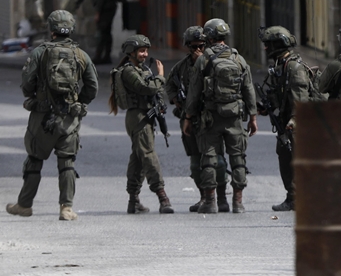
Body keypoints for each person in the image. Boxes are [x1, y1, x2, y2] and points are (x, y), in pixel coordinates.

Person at [6, 10, 98, 221]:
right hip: (69, 119)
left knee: (34, 160)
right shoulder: (81, 55)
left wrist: (33, 98)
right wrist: (79, 103)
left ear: (51, 29)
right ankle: (66, 208)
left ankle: (25, 205)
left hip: (42, 118)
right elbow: (92, 86)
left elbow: (27, 81)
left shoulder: (41, 52)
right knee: (67, 162)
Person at [183, 18, 258, 214]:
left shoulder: (203, 60)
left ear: (208, 37)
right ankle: (238, 203)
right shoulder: (238, 59)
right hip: (234, 116)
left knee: (209, 159)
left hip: (211, 117)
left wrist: (188, 118)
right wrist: (253, 117)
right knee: (238, 159)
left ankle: (210, 202)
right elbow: (249, 90)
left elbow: (194, 92)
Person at [165, 26, 230, 212]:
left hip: (210, 119)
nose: (198, 50)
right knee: (195, 164)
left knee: (217, 161)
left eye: (201, 45)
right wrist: (177, 101)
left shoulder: (214, 63)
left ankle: (222, 197)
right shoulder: (182, 67)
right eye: (193, 47)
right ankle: (204, 196)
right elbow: (169, 86)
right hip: (190, 119)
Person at [109, 34, 174, 214]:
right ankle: (162, 197)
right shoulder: (129, 71)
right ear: (131, 52)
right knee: (148, 155)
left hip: (145, 116)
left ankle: (133, 200)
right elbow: (147, 88)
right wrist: (161, 76)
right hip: (137, 117)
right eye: (141, 51)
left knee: (138, 158)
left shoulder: (141, 68)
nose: (145, 54)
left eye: (146, 51)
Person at [258, 26, 318, 212]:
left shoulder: (294, 68)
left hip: (297, 124)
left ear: (277, 44)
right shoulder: (281, 66)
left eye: (268, 45)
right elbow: (281, 95)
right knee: (286, 159)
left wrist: (294, 121)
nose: (266, 49)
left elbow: (300, 99)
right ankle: (293, 197)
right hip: (287, 122)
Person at [75, 0, 121, 64]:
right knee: (107, 33)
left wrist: (97, 13)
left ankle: (99, 56)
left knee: (102, 33)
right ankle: (106, 56)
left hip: (105, 10)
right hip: (109, 8)